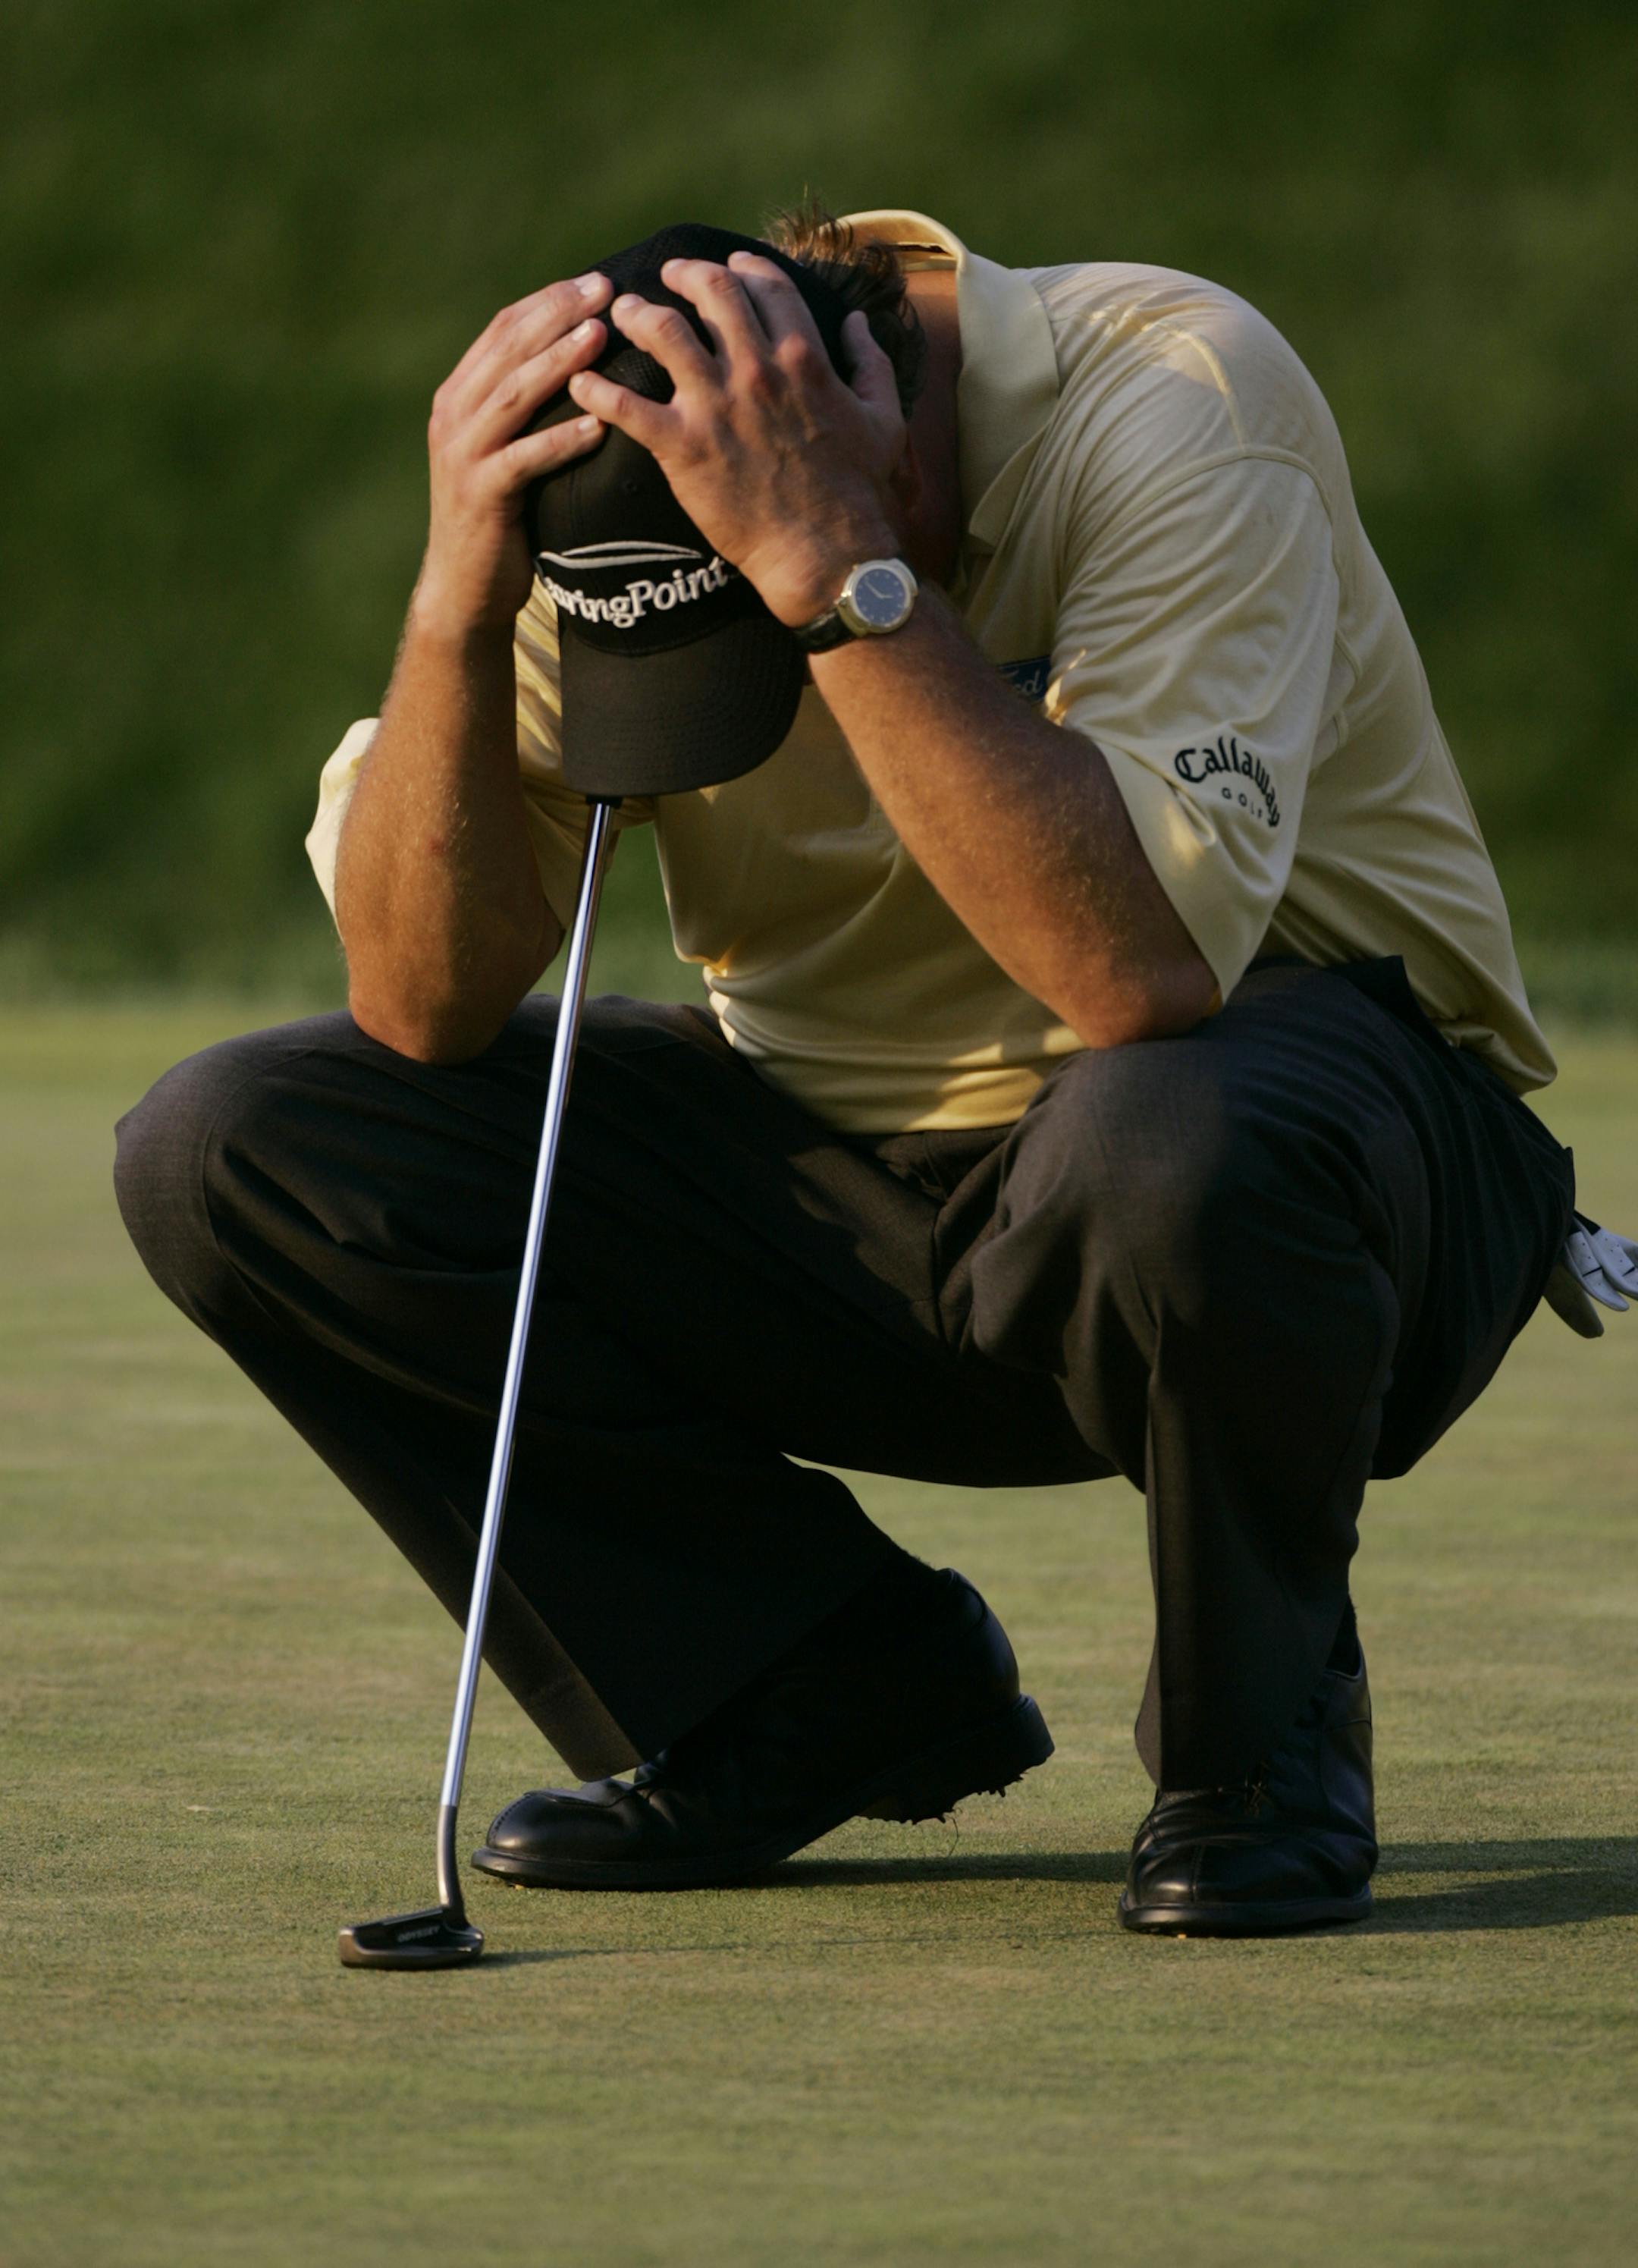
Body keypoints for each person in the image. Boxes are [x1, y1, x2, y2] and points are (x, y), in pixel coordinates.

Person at [114, 206, 1633, 1937]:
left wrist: (833, 569)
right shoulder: (627, 473)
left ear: (891, 425)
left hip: (1294, 1175)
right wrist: (460, 596)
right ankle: (813, 1685)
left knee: (1159, 1134)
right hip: (858, 1210)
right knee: (235, 1145)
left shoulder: (1173, 399)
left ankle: (1257, 1737)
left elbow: (1138, 970)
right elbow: (420, 1001)